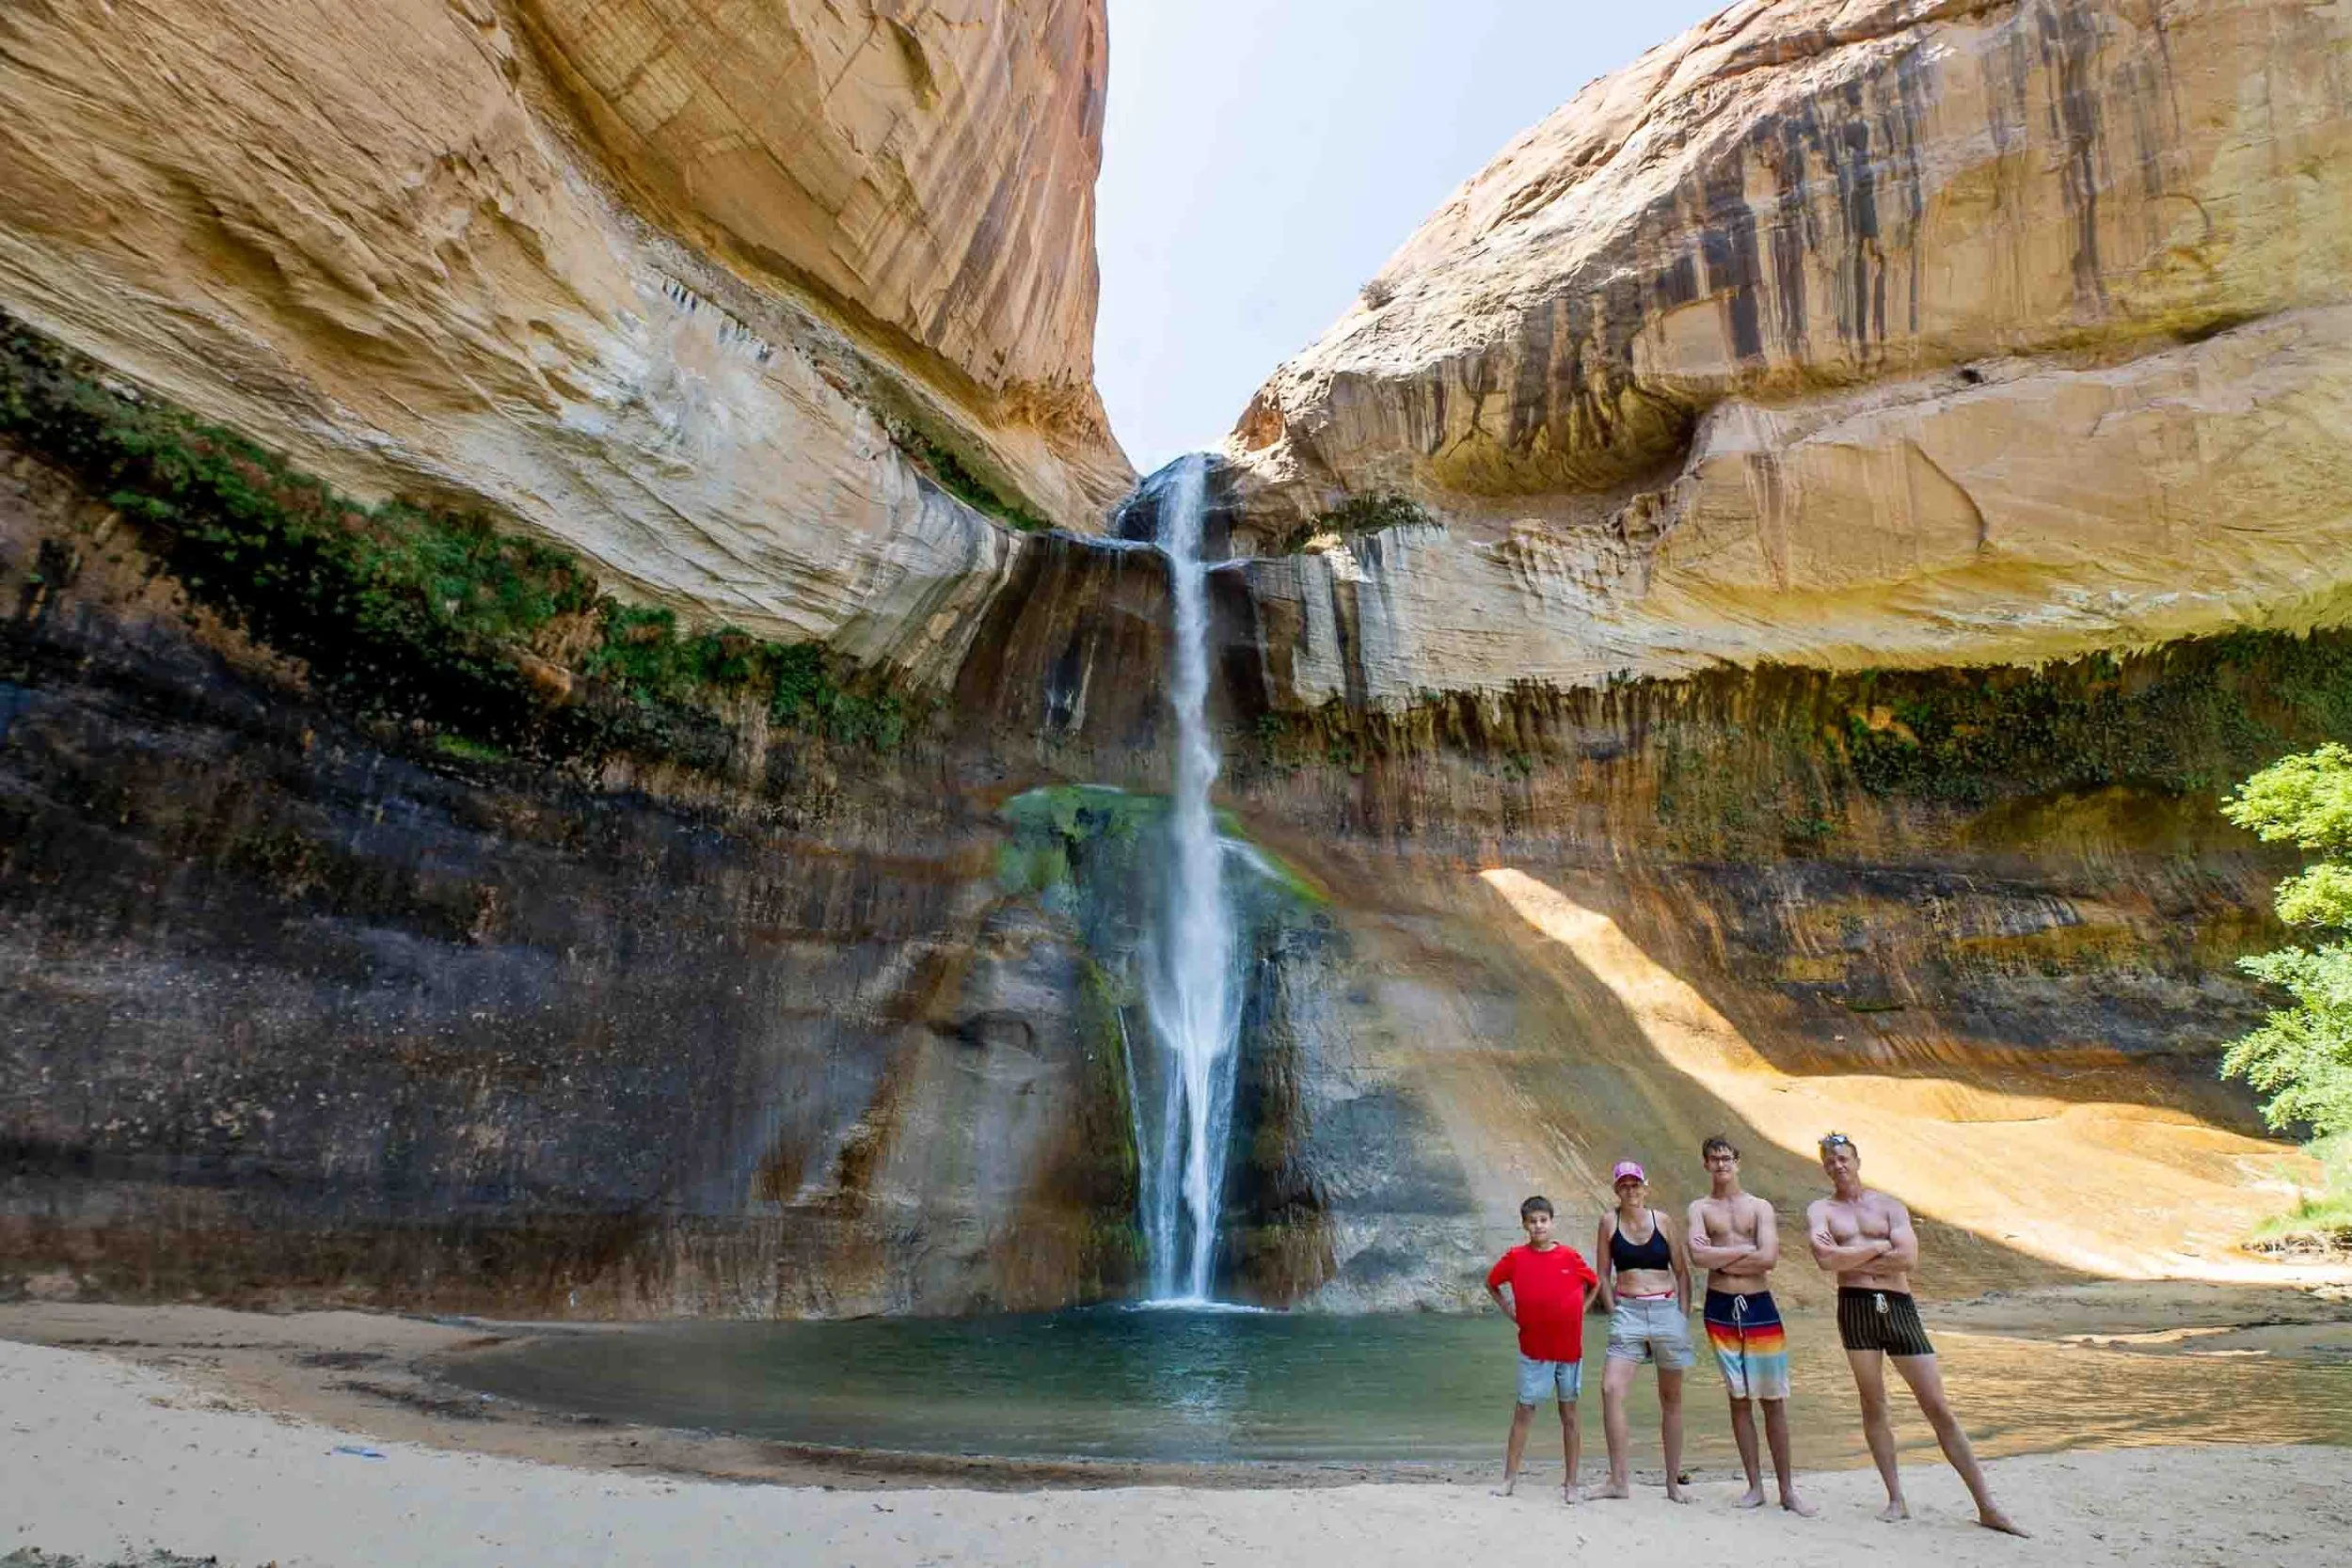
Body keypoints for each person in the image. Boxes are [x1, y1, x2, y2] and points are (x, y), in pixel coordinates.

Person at [1807, 1132, 2027, 1535]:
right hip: (1855, 1307)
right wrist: (1877, 1250)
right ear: (1825, 1167)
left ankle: (1986, 1505)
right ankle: (1896, 1499)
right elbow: (1825, 1260)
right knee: (1873, 1403)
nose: (1838, 1165)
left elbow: (1907, 1258)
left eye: (1843, 1157)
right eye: (1830, 1160)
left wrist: (1851, 1256)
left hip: (1898, 1308)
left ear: (1857, 1160)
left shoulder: (1889, 1205)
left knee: (1937, 1405)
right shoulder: (1821, 1210)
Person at [1685, 1135, 1815, 1516]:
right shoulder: (1700, 1208)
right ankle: (1755, 1486)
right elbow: (1697, 1255)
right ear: (1706, 1165)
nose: (1721, 1165)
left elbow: (1769, 1257)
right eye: (1714, 1159)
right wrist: (1744, 1251)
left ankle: (1787, 1489)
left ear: (1737, 1162)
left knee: (1773, 1399)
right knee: (1738, 1399)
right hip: (1720, 1308)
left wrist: (1722, 1259)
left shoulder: (1759, 1207)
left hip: (1759, 1306)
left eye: (1727, 1158)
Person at [1486, 1194, 1599, 1501]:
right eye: (1532, 1221)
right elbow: (1492, 1283)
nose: (1538, 1226)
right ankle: (1509, 1479)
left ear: (1551, 1222)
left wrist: (1581, 1311)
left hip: (1568, 1350)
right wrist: (1510, 1311)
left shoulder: (1569, 1257)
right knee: (1524, 1410)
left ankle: (1571, 1484)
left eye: (1543, 1220)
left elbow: (1595, 1283)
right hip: (1534, 1348)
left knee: (1570, 1413)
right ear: (1524, 1225)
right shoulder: (1515, 1257)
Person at [1593, 1159, 1694, 1503]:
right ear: (1616, 1189)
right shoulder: (1609, 1222)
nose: (1630, 1190)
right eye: (1624, 1185)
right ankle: (1618, 1480)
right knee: (1610, 1389)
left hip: (1666, 1310)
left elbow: (1681, 1273)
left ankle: (1671, 1483)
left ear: (1645, 1187)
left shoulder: (1662, 1221)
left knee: (1671, 1399)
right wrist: (1614, 1311)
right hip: (1629, 1313)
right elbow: (1602, 1274)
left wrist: (1681, 1316)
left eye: (1635, 1184)